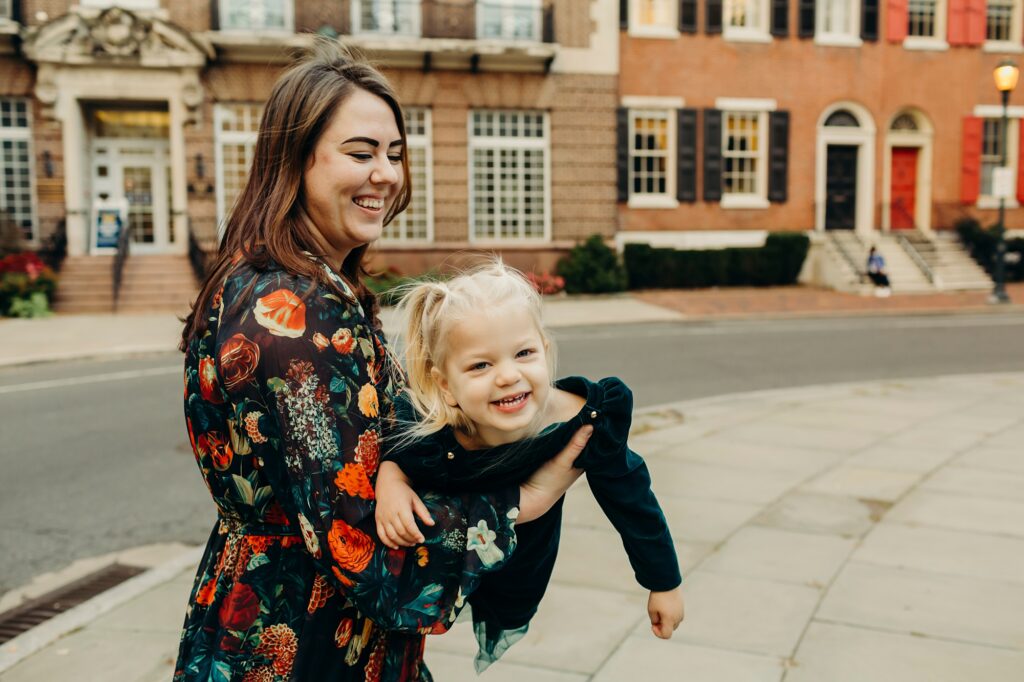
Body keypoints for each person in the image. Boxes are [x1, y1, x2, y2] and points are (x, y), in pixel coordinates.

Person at [175, 41, 591, 682]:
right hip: (300, 641)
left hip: (283, 619)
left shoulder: (292, 281)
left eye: (395, 153)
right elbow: (358, 541)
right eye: (361, 153)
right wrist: (523, 501)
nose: (386, 174)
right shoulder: (293, 312)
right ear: (296, 161)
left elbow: (380, 451)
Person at [375, 260, 685, 671]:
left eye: (524, 353)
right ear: (447, 386)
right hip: (451, 558)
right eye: (480, 365)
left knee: (506, 601)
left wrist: (663, 582)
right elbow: (398, 454)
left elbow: (631, 498)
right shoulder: (439, 432)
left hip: (519, 565)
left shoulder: (586, 420)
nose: (508, 375)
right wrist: (391, 481)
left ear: (545, 349)